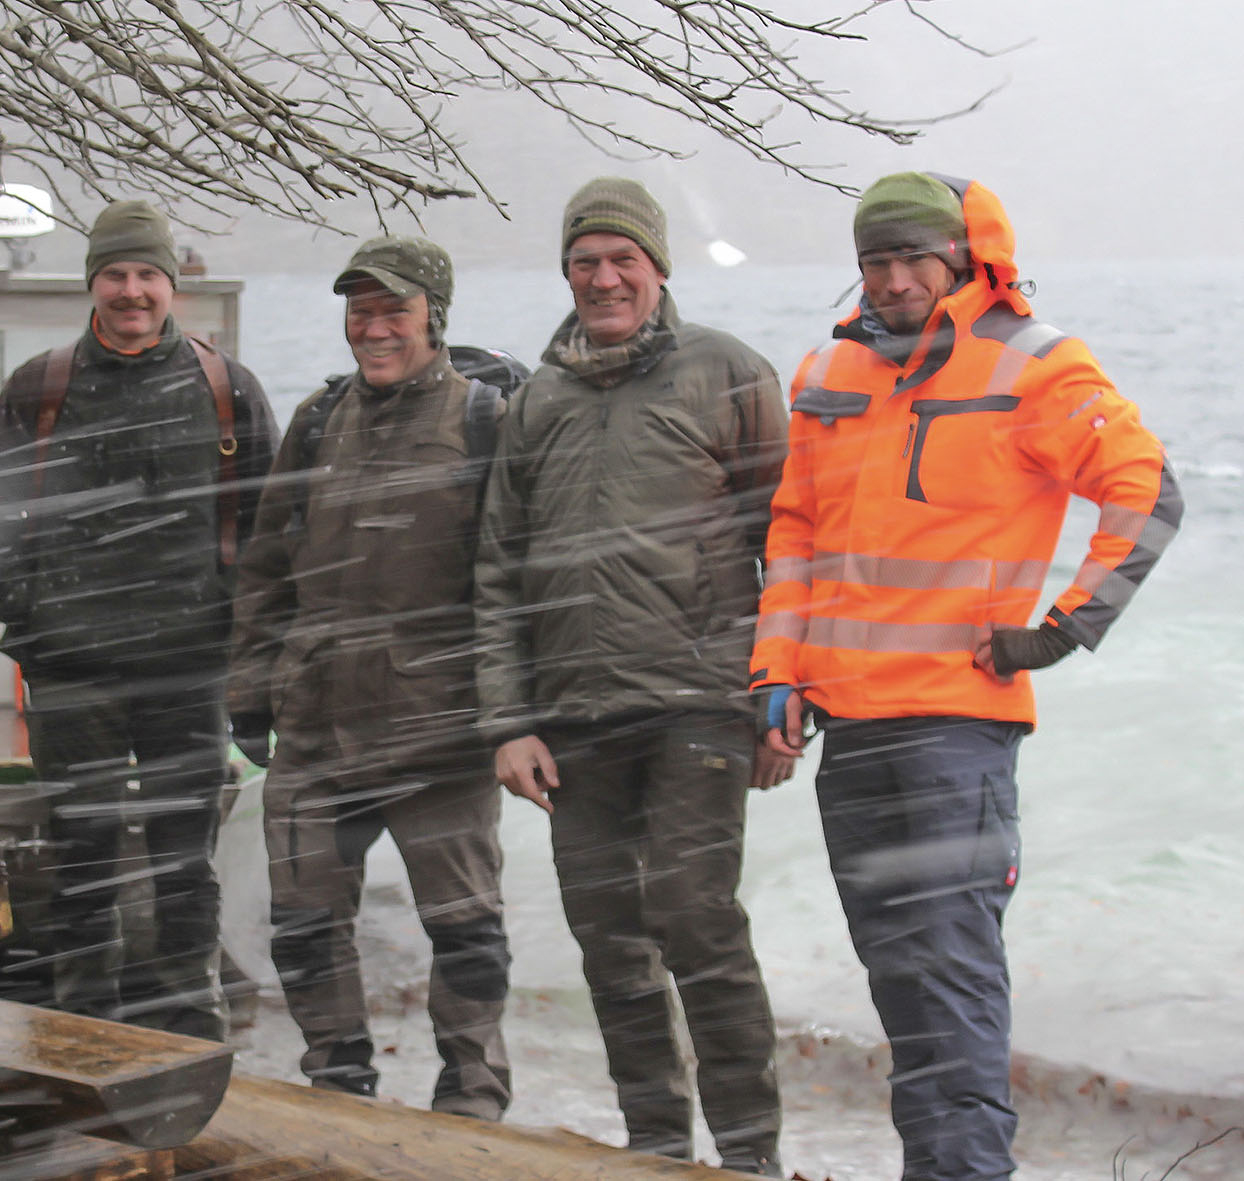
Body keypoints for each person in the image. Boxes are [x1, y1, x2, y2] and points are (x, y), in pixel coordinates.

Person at [751, 172, 1183, 1181]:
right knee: (898, 978)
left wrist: (1065, 626)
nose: (894, 278)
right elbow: (794, 535)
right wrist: (773, 671)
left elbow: (1145, 490)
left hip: (954, 731)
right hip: (847, 730)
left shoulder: (1032, 365)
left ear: (961, 259)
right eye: (875, 260)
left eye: (913, 258)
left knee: (948, 973)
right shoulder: (829, 368)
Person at [473, 177, 788, 1174]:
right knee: (606, 937)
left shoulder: (727, 372)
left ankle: (746, 1155)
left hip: (697, 699)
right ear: (566, 273)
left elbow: (789, 543)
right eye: (583, 262)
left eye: (621, 260)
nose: (603, 279)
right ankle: (654, 1145)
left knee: (695, 917)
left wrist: (781, 699)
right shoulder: (536, 400)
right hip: (572, 718)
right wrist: (505, 721)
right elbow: (495, 568)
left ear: (656, 267)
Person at [0, 199, 278, 1040]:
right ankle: (83, 1029)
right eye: (115, 273)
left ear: (170, 286)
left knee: (184, 859)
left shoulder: (226, 387)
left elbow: (275, 528)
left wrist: (238, 644)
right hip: (72, 672)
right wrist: (36, 624)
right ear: (92, 281)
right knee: (82, 857)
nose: (131, 291)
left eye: (146, 275)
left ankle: (192, 1025)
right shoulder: (43, 386)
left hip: (188, 668)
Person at [227, 237, 514, 1118]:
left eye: (394, 309)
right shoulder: (318, 419)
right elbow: (268, 563)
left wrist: (513, 712)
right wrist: (249, 687)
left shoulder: (484, 421)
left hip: (443, 730)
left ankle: (472, 1094)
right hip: (318, 722)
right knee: (305, 927)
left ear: (434, 314)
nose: (375, 327)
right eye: (360, 310)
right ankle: (339, 1082)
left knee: (466, 931)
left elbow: (514, 574)